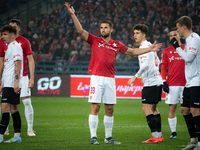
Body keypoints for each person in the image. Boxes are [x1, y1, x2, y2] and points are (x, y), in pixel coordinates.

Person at [64, 2, 162, 145]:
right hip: (96, 78)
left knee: (110, 108)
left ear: (111, 29)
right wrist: (73, 15)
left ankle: (108, 137)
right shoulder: (95, 40)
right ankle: (93, 137)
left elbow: (133, 51)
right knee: (95, 106)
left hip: (110, 79)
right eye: (101, 28)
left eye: (105, 28)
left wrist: (149, 49)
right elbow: (80, 31)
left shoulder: (117, 44)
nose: (103, 30)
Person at [127, 24, 164, 144]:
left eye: (137, 33)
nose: (135, 35)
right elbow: (157, 61)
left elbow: (145, 65)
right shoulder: (150, 46)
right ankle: (159, 136)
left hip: (150, 83)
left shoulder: (144, 47)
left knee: (146, 109)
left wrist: (134, 77)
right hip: (157, 81)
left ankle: (155, 136)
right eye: (134, 33)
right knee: (154, 109)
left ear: (144, 35)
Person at [0, 19, 36, 136]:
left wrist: (31, 77)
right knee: (7, 104)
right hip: (8, 77)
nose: (12, 28)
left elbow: (30, 60)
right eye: (10, 26)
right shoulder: (3, 43)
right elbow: (2, 62)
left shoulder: (24, 42)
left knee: (26, 101)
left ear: (18, 29)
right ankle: (6, 130)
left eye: (14, 27)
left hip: (22, 76)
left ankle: (30, 129)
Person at [170, 16, 200, 150]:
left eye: (177, 28)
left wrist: (177, 47)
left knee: (195, 110)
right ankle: (193, 140)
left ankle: (199, 143)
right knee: (184, 109)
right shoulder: (188, 41)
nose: (177, 30)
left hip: (197, 80)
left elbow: (188, 58)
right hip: (190, 81)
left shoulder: (194, 39)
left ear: (184, 27)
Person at [161, 27, 186, 139]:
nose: (172, 37)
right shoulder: (166, 51)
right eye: (171, 36)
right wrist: (164, 81)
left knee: (188, 109)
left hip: (186, 83)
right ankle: (173, 132)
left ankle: (193, 131)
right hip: (172, 84)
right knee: (172, 108)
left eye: (175, 35)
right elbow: (163, 67)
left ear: (179, 35)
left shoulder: (187, 48)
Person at [0, 25, 23, 143]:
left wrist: (15, 82)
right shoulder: (10, 47)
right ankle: (17, 136)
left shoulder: (15, 47)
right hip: (8, 82)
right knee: (14, 109)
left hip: (11, 83)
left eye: (5, 34)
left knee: (4, 108)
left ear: (12, 35)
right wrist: (3, 83)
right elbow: (8, 67)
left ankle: (0, 136)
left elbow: (17, 64)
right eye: (2, 34)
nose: (2, 37)